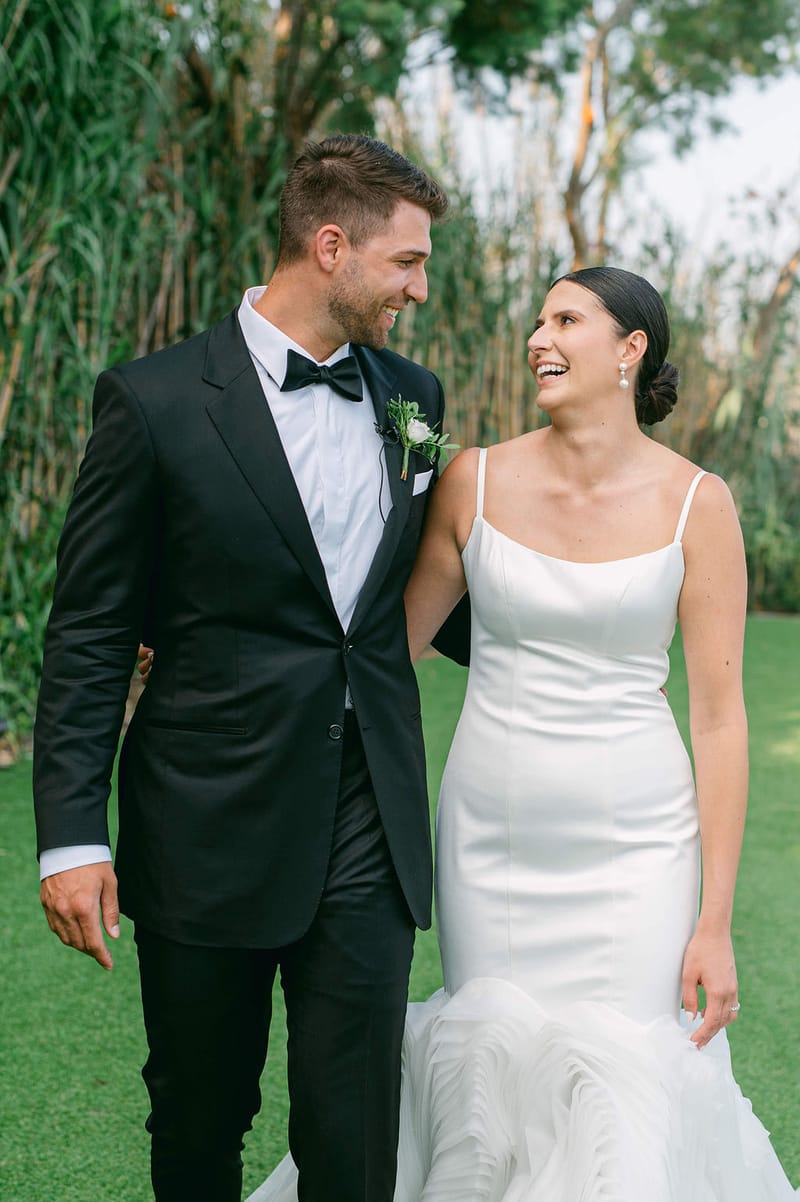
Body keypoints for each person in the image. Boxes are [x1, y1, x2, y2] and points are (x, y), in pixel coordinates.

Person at [248, 266, 798, 1200]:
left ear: (631, 350)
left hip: (639, 848)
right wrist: (222, 635)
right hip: (491, 839)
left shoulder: (698, 505)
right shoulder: (474, 478)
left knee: (620, 1071)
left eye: (567, 319)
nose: (539, 337)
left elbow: (719, 718)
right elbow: (382, 648)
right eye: (538, 319)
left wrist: (714, 919)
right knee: (488, 1056)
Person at [32, 134, 455, 1202]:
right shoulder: (155, 400)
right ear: (329, 247)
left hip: (367, 814)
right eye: (406, 263)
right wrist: (72, 836)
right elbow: (88, 627)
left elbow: (424, 588)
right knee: (200, 1112)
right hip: (204, 818)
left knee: (353, 1121)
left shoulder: (415, 397)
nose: (418, 287)